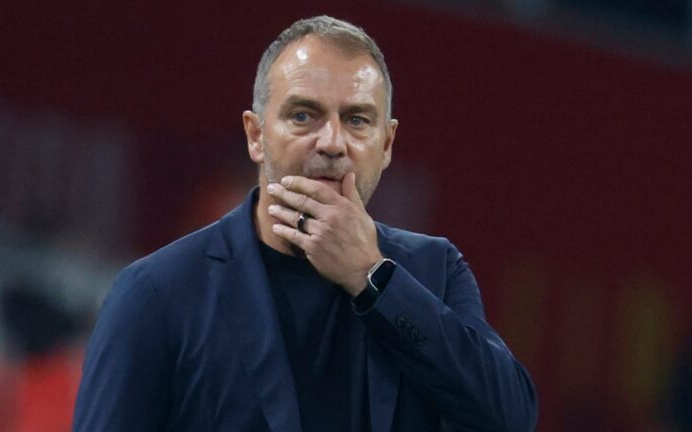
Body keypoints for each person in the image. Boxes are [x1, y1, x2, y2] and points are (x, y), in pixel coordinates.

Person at [73, 15, 538, 432]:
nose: (332, 142)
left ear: (387, 144)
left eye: (357, 120)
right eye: (303, 115)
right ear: (256, 136)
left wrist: (374, 278)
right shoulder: (158, 293)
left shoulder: (435, 270)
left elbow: (510, 417)